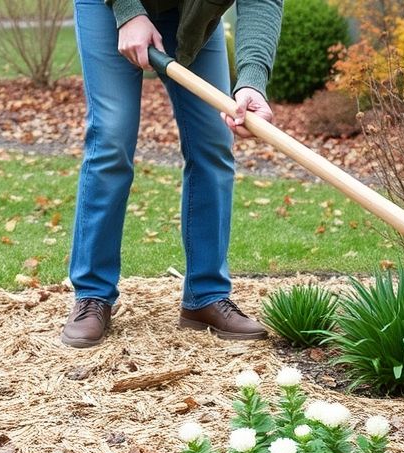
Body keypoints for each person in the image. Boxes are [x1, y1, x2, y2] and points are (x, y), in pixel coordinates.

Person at [61, 0, 283, 348]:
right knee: (111, 138)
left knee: (213, 141)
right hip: (107, 9)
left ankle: (205, 296)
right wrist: (128, 11)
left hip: (191, 14)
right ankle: (92, 294)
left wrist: (252, 80)